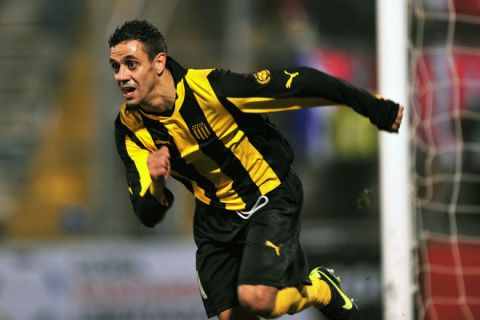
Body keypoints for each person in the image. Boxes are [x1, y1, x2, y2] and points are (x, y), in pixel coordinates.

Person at [109, 19, 403, 320]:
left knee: (257, 299)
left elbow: (300, 84)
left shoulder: (210, 89)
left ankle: (320, 289)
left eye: (131, 64)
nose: (122, 76)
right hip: (214, 217)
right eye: (116, 67)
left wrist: (371, 105)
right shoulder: (128, 128)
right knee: (231, 316)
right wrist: (158, 183)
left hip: (268, 196)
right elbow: (147, 214)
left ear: (159, 63)